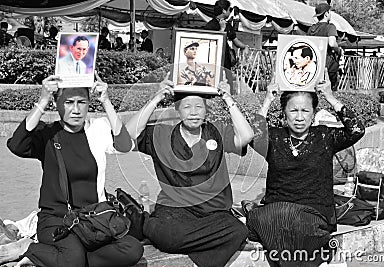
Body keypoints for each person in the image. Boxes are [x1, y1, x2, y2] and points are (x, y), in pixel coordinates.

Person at [0, 74, 143, 267]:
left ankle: (50, 257)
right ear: (57, 104)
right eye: (68, 102)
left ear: (89, 103)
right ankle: (27, 247)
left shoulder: (97, 130)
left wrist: (106, 101)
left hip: (92, 219)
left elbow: (124, 145)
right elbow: (17, 145)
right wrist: (42, 100)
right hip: (56, 219)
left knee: (132, 249)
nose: (75, 109)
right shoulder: (48, 134)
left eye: (82, 102)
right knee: (73, 259)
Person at [125, 74, 254, 267]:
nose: (193, 112)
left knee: (238, 231)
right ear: (177, 110)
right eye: (186, 107)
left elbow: (246, 136)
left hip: (214, 212)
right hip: (174, 211)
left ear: (206, 110)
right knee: (169, 237)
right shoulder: (162, 134)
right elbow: (128, 134)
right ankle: (147, 223)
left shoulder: (216, 131)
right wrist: (157, 97)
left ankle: (198, 262)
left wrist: (228, 98)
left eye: (199, 106)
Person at [243, 72, 365, 266]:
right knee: (272, 220)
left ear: (313, 113)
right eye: (293, 111)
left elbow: (357, 129)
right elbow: (249, 136)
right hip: (277, 213)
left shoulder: (325, 137)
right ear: (284, 113)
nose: (299, 117)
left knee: (297, 226)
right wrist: (267, 100)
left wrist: (329, 96)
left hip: (314, 216)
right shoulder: (273, 138)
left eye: (305, 111)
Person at [204, 0, 249, 94]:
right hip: (214, 64)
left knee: (228, 87)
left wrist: (244, 46)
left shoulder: (228, 25)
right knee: (215, 88)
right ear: (224, 10)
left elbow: (235, 41)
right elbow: (210, 44)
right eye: (230, 9)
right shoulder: (210, 26)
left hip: (226, 62)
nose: (230, 12)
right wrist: (222, 29)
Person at [307, 3, 342, 91]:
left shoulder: (311, 29)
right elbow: (332, 43)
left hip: (313, 65)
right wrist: (339, 50)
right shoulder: (330, 27)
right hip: (328, 65)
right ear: (326, 13)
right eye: (330, 12)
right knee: (329, 90)